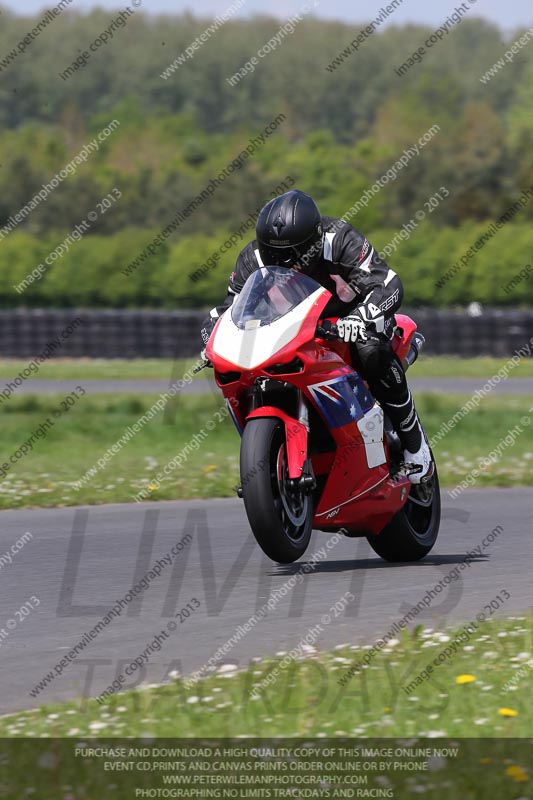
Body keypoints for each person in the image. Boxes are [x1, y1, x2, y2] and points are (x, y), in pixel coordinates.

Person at [200, 189, 433, 483]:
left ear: (313, 241)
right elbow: (229, 307)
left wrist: (361, 317)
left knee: (370, 352)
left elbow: (388, 284)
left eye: (292, 253)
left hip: (349, 321)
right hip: (291, 331)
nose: (283, 262)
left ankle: (415, 448)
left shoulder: (341, 240)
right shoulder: (253, 257)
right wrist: (212, 336)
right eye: (274, 253)